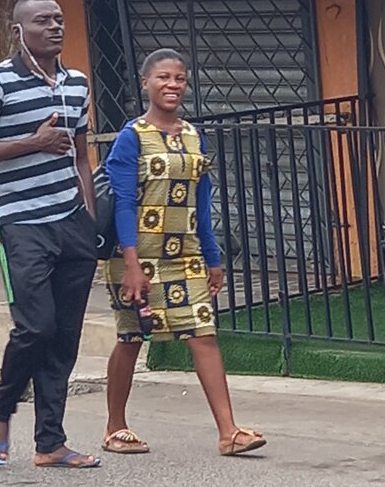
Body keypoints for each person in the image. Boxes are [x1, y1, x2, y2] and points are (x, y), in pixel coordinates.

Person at [103, 48, 266, 457]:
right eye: (163, 78)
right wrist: (132, 264)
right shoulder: (132, 137)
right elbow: (122, 202)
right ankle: (114, 426)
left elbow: (202, 200)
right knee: (131, 338)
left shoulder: (194, 136)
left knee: (203, 334)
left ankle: (229, 432)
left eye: (179, 78)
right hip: (137, 258)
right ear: (145, 84)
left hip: (186, 255)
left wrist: (213, 259)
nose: (172, 85)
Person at [0, 0, 99, 468]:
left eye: (59, 19)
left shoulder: (77, 84)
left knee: (65, 336)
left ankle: (50, 442)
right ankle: (1, 412)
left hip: (71, 221)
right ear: (17, 31)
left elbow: (82, 157)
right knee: (35, 327)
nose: (54, 26)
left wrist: (88, 219)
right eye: (42, 20)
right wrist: (32, 142)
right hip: (21, 222)